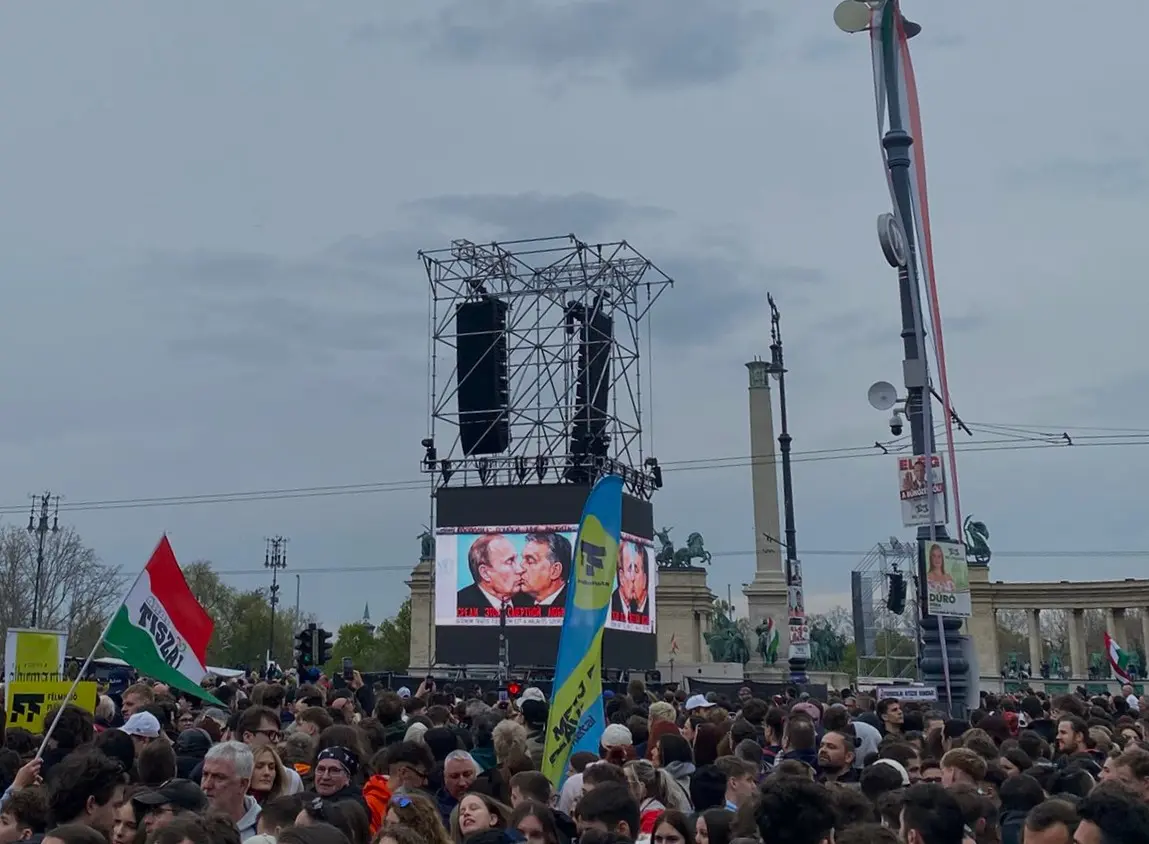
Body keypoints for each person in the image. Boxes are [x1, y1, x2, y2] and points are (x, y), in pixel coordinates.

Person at [201, 741, 262, 841]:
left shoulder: (262, 831)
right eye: (205, 774)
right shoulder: (188, 822)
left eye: (219, 777)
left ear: (243, 784)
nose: (207, 785)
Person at [456, 534, 523, 613]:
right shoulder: (457, 605)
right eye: (509, 561)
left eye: (516, 559)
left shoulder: (529, 598)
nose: (520, 569)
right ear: (485, 573)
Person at [513, 532, 572, 612]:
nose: (520, 569)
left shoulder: (573, 606)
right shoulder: (515, 601)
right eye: (522, 559)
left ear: (555, 571)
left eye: (530, 561)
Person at [611, 541, 650, 622]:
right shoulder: (610, 605)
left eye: (636, 570)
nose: (633, 578)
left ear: (645, 578)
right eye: (629, 570)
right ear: (621, 576)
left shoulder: (641, 608)